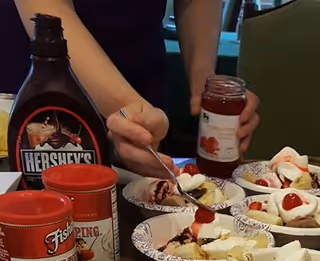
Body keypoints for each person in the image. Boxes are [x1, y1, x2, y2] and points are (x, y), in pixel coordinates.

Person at [1, 0, 260, 176]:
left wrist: (207, 90)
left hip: (141, 78)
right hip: (42, 84)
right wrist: (131, 110)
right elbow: (49, 8)